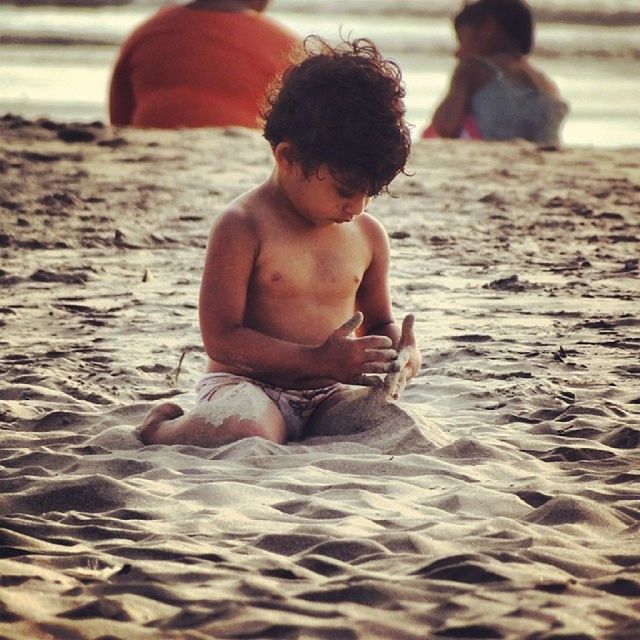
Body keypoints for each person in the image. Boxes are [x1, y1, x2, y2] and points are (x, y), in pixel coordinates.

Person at [139, 37, 420, 448]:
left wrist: (403, 353)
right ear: (288, 157)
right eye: (345, 190)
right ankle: (160, 430)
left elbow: (377, 321)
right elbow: (221, 337)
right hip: (247, 388)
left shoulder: (367, 235)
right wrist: (313, 359)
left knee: (389, 421)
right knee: (247, 432)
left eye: (368, 193)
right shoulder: (243, 225)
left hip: (328, 393)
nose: (356, 207)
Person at [109, 0, 300, 129]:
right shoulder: (284, 45)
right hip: (238, 145)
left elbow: (119, 120)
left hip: (148, 144)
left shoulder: (147, 32)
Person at [423, 0, 568, 146]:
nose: (457, 52)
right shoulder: (546, 83)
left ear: (489, 29)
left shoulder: (472, 68)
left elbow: (444, 127)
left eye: (462, 39)